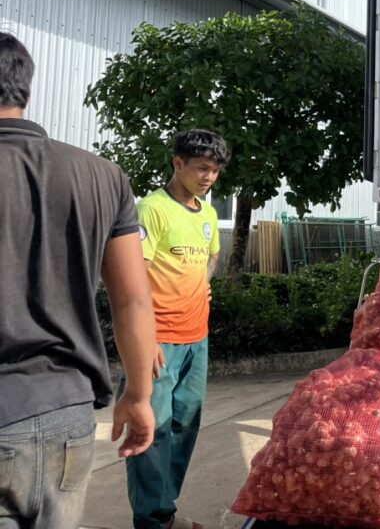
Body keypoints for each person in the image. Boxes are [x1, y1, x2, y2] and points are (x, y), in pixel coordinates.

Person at [0, 32, 157, 529]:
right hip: (66, 413)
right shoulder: (102, 175)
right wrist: (138, 395)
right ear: (25, 89)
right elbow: (133, 299)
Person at [126, 129, 229, 529]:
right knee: (152, 432)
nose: (208, 177)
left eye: (215, 171)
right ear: (178, 163)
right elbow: (133, 278)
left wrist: (200, 285)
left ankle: (165, 510)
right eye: (202, 168)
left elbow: (212, 256)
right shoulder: (152, 209)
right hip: (158, 342)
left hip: (196, 339)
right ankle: (151, 520)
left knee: (185, 425)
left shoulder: (206, 211)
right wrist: (144, 339)